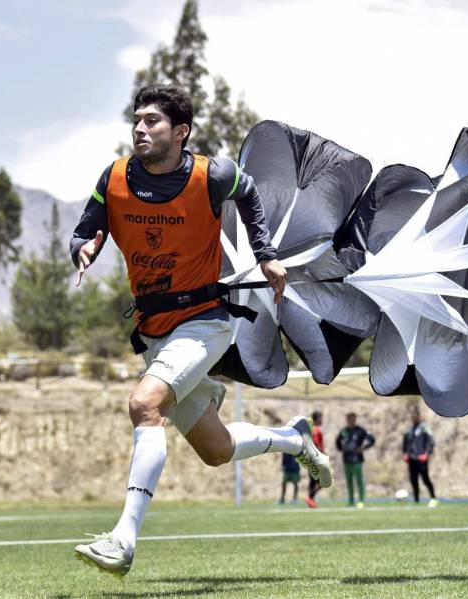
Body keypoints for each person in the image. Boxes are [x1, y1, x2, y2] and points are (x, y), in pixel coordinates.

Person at [70, 85, 332, 576]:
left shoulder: (214, 176)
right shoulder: (115, 177)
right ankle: (296, 440)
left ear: (180, 131)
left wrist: (267, 255)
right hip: (153, 333)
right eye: (137, 120)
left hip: (204, 322)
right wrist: (82, 248)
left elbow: (249, 195)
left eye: (152, 121)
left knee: (145, 405)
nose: (140, 129)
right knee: (217, 451)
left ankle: (123, 541)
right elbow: (87, 227)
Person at [336, 412, 376, 508]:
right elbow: (337, 442)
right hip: (346, 459)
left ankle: (361, 500)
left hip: (357, 459)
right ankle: (351, 501)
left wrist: (363, 448)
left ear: (355, 419)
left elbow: (372, 439)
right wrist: (342, 449)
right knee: (349, 482)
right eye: (348, 418)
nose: (350, 420)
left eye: (352, 418)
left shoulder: (360, 430)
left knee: (359, 481)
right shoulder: (344, 431)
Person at [402, 408, 437, 507]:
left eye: (415, 416)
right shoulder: (409, 430)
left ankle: (433, 498)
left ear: (418, 416)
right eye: (412, 416)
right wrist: (405, 453)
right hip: (412, 459)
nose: (413, 418)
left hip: (421, 459)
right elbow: (405, 443)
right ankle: (416, 500)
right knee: (413, 480)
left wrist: (426, 454)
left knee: (425, 479)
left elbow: (431, 441)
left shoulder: (424, 428)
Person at [304, 411, 325, 508]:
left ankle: (311, 502)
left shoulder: (310, 430)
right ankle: (310, 497)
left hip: (309, 458)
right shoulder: (316, 430)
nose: (322, 420)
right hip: (316, 458)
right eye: (321, 417)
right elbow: (316, 444)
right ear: (317, 419)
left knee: (313, 481)